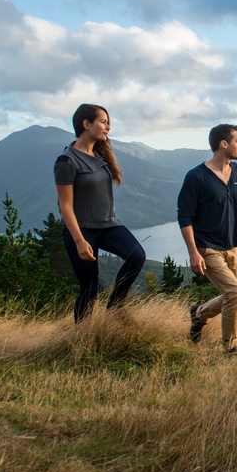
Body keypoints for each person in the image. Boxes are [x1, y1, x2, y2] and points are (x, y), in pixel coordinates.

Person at [54, 104, 146, 323]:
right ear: (86, 124)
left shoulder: (100, 156)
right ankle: (82, 339)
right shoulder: (67, 161)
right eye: (103, 122)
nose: (108, 127)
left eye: (107, 122)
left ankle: (115, 308)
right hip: (81, 230)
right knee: (90, 289)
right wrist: (79, 240)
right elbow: (65, 206)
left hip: (108, 225)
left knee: (137, 256)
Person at [178, 123, 237, 353]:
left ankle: (198, 315)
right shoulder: (196, 177)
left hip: (231, 247)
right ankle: (231, 347)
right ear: (223, 144)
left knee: (233, 295)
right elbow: (185, 216)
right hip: (207, 248)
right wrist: (193, 252)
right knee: (234, 293)